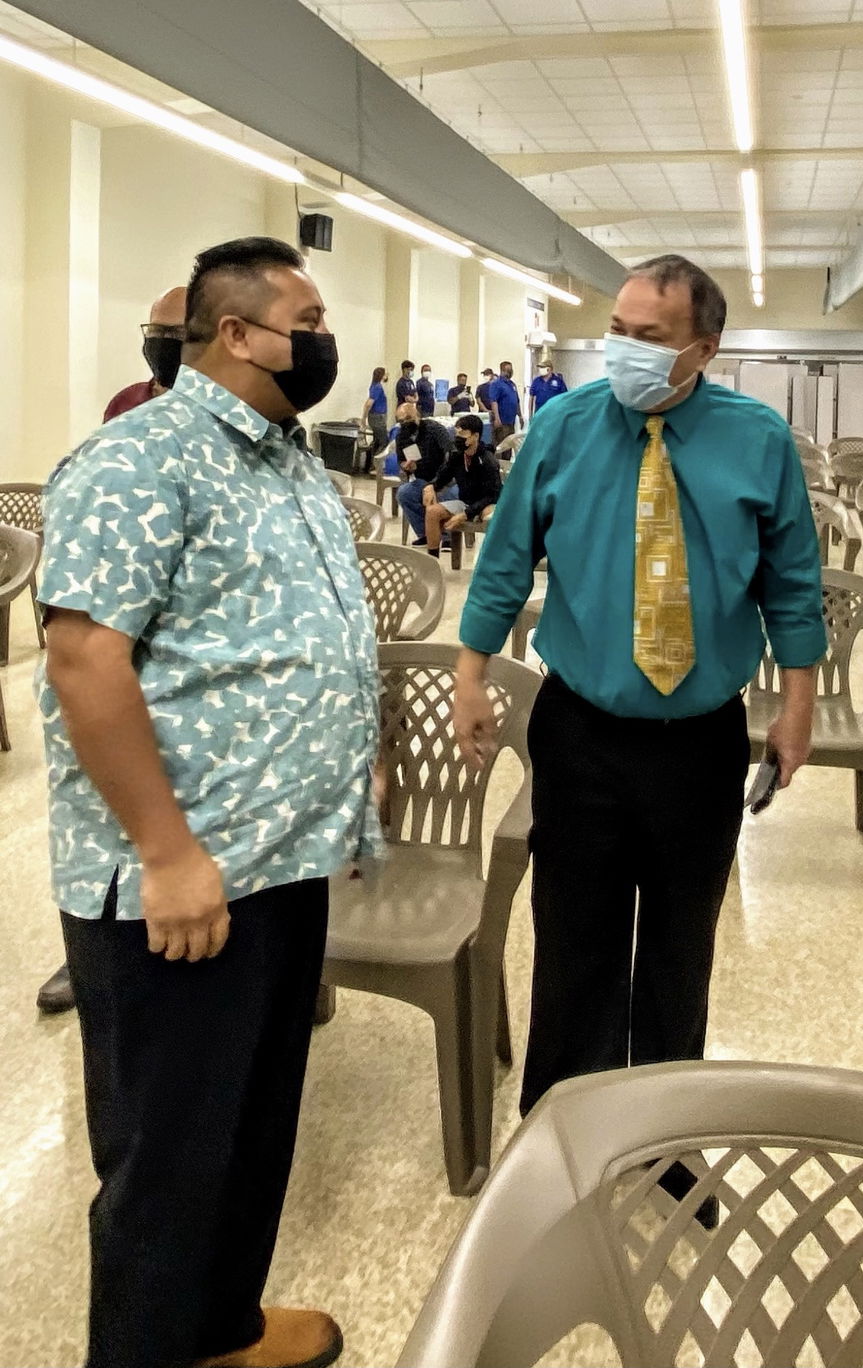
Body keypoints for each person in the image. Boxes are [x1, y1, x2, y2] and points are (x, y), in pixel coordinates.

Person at [39, 235, 376, 1368]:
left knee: (248, 1134)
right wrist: (166, 850)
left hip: (282, 863)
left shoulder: (286, 459)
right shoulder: (143, 461)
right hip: (186, 879)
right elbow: (87, 662)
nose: (325, 340)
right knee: (168, 1168)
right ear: (235, 334)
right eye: (310, 318)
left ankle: (219, 1332)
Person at [451, 253, 825, 1127]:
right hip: (579, 730)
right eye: (616, 332)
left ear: (704, 348)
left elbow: (792, 582)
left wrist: (797, 706)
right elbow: (506, 558)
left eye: (647, 338)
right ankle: (565, 1130)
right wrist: (470, 673)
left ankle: (665, 1132)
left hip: (700, 739)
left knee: (678, 945)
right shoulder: (564, 426)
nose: (623, 350)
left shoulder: (757, 439)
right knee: (574, 938)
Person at [37, 285, 190, 1018]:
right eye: (152, 330)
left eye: (173, 331)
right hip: (126, 636)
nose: (159, 342)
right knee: (103, 812)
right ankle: (87, 954)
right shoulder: (126, 410)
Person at [103, 286, 188, 421]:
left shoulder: (221, 410)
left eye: (179, 332)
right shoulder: (126, 403)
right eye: (156, 330)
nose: (163, 339)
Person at [422, 413, 500, 557]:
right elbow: (442, 478)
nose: (458, 437)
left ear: (475, 436)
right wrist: (430, 486)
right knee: (432, 512)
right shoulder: (457, 456)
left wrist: (466, 514)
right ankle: (432, 561)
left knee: (491, 516)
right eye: (457, 432)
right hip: (465, 502)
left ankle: (492, 560)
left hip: (486, 504)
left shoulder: (488, 461)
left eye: (463, 433)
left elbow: (493, 495)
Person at [392, 400, 456, 545]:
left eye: (408, 418)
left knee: (448, 495)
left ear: (417, 415)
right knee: (404, 493)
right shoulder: (401, 436)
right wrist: (406, 466)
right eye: (401, 421)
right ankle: (427, 532)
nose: (405, 423)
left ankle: (448, 537)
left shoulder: (434, 429)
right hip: (422, 477)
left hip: (444, 478)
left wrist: (437, 483)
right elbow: (401, 461)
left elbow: (451, 453)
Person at [485, 363, 521, 447]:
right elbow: (494, 401)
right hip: (502, 421)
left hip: (511, 421)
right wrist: (497, 418)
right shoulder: (496, 384)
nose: (510, 372)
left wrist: (520, 415)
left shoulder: (512, 384)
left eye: (511, 370)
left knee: (509, 446)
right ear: (502, 370)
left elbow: (516, 400)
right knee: (501, 446)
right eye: (508, 370)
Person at [361, 365, 388, 470]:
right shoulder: (377, 387)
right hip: (377, 417)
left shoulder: (374, 386)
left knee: (377, 441)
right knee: (384, 442)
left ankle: (372, 465)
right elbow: (369, 403)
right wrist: (363, 418)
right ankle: (377, 464)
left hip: (376, 417)